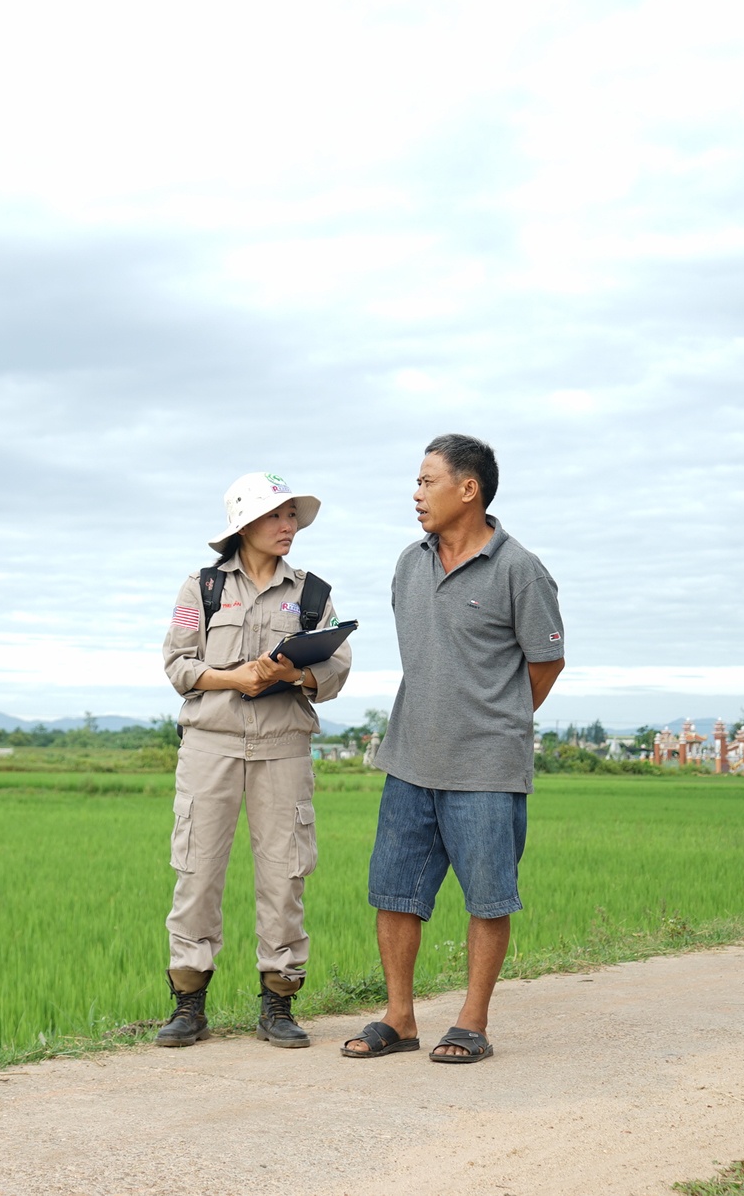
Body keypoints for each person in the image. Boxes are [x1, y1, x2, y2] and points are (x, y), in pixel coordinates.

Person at [344, 435, 563, 1066]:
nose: (416, 494)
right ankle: (400, 1017)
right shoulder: (408, 565)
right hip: (409, 758)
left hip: (486, 769)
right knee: (393, 892)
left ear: (468, 489)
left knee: (488, 897)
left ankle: (472, 1021)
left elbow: (546, 662)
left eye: (427, 481)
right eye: (417, 481)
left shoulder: (520, 569)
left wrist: (498, 723)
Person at [156, 472, 351, 1050]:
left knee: (285, 876)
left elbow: (337, 670)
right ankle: (189, 1004)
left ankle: (278, 1003)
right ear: (245, 524)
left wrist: (296, 672)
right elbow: (179, 666)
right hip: (209, 746)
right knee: (196, 873)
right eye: (277, 516)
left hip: (283, 748)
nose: (288, 526)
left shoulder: (313, 593)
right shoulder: (203, 588)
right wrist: (234, 677)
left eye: (292, 516)